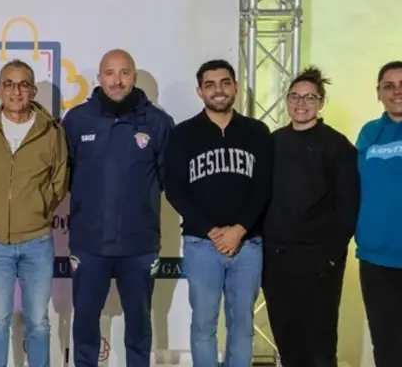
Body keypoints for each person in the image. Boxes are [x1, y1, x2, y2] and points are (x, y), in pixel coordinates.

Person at [63, 49, 173, 367]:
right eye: (110, 73)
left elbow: (168, 180)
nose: (117, 80)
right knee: (85, 322)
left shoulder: (157, 122)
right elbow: (63, 176)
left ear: (134, 77)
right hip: (89, 244)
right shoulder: (77, 120)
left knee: (138, 325)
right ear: (99, 78)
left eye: (124, 73)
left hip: (139, 245)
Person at [163, 59, 273, 367]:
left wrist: (239, 230)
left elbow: (263, 187)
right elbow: (175, 189)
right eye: (210, 85)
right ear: (200, 92)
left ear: (236, 87)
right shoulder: (183, 134)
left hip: (248, 244)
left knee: (242, 327)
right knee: (203, 326)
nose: (219, 90)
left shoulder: (257, 131)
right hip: (202, 244)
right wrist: (212, 231)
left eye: (225, 82)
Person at [0, 59, 68, 367]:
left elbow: (59, 180)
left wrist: (38, 208)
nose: (16, 91)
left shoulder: (51, 132)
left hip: (37, 241)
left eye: (24, 84)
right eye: (9, 84)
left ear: (33, 90)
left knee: (38, 321)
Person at [261, 68, 359, 367]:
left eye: (309, 97)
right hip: (276, 258)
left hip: (319, 260)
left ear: (321, 102)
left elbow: (348, 204)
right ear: (286, 101)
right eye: (294, 96)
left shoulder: (337, 145)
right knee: (286, 337)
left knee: (318, 342)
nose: (301, 103)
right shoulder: (273, 141)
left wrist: (330, 255)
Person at [354, 60, 402, 367]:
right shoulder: (369, 133)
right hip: (375, 260)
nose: (397, 91)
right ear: (379, 93)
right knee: (385, 345)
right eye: (389, 86)